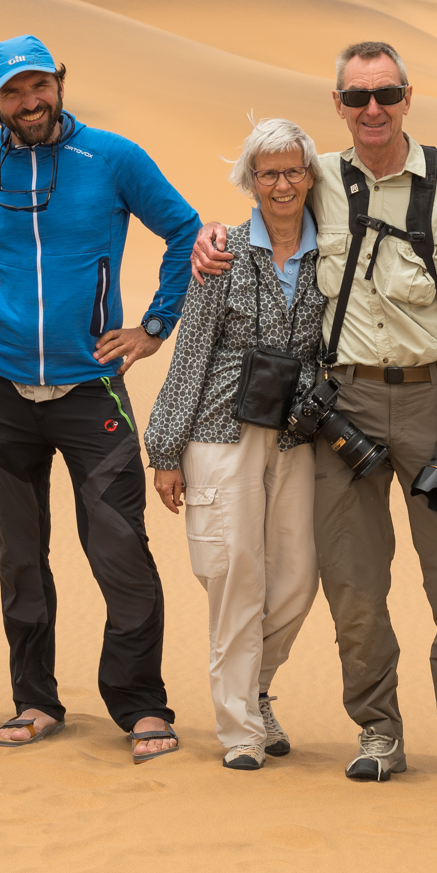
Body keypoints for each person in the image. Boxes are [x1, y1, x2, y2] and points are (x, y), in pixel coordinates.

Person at [192, 40, 437, 795]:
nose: (373, 109)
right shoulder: (320, 178)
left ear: (408, 98)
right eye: (357, 97)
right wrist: (209, 239)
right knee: (354, 586)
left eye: (387, 94)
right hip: (346, 408)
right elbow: (261, 217)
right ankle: (378, 729)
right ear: (337, 105)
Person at [0, 35, 202, 763]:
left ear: (61, 83)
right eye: (13, 92)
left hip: (91, 388)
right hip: (1, 388)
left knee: (121, 552)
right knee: (20, 556)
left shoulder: (113, 159)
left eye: (40, 85)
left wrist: (154, 326)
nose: (30, 102)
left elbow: (183, 230)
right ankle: (35, 700)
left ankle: (141, 705)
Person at [145, 119, 326, 771]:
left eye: (292, 170)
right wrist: (166, 449)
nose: (281, 183)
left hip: (297, 432)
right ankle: (240, 728)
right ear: (250, 180)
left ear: (310, 177)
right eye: (268, 172)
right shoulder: (222, 250)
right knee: (234, 575)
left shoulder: (331, 251)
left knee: (298, 577)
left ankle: (255, 686)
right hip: (220, 428)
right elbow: (191, 349)